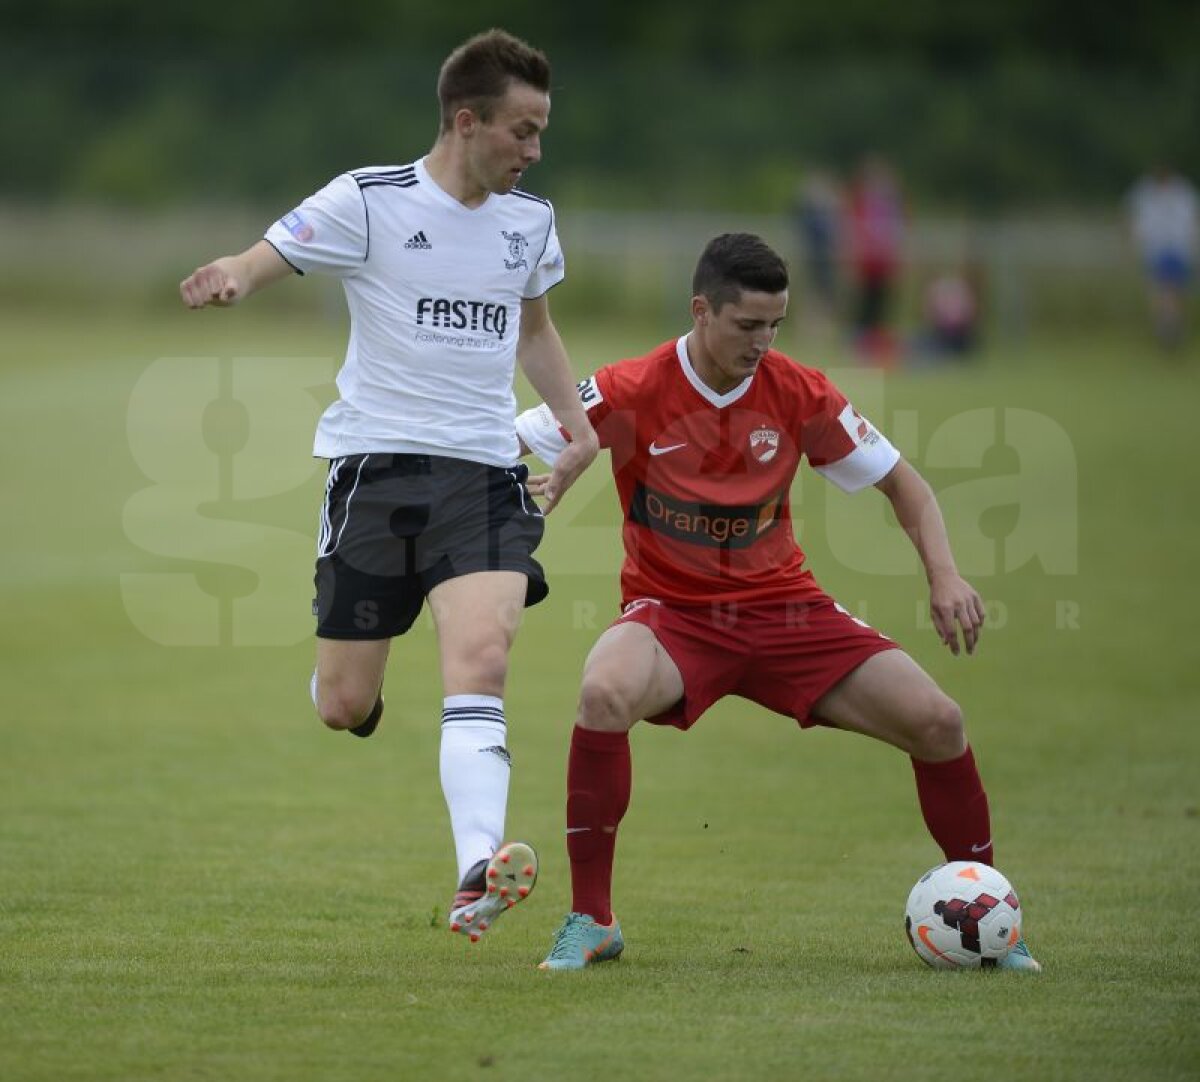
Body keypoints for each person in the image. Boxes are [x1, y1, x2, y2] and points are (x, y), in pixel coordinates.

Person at [514, 233, 1040, 973]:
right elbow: (509, 445)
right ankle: (591, 920)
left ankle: (993, 923)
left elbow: (904, 484)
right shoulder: (633, 387)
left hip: (786, 611)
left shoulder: (798, 391)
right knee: (602, 693)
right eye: (748, 325)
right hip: (674, 615)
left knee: (939, 721)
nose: (763, 342)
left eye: (776, 326)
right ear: (702, 311)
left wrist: (945, 575)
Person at [179, 28, 598, 942]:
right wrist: (234, 278)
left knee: (482, 659)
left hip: (485, 475)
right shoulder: (370, 200)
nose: (534, 152)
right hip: (375, 473)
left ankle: (476, 868)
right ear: (466, 120)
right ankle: (350, 692)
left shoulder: (530, 223)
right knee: (345, 705)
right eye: (521, 132)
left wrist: (580, 426)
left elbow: (535, 334)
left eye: (541, 133)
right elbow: (273, 252)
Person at [1126, 165, 1198, 351]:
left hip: (1173, 250)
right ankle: (1169, 326)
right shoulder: (1148, 193)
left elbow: (1191, 223)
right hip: (1160, 251)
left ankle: (1168, 326)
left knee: (1167, 293)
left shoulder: (1181, 193)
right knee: (1165, 293)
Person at [846, 156, 906, 365]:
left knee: (883, 308)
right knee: (866, 307)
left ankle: (880, 349)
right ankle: (861, 348)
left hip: (885, 266)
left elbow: (897, 235)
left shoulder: (892, 205)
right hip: (867, 266)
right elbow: (856, 233)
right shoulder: (862, 205)